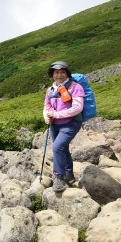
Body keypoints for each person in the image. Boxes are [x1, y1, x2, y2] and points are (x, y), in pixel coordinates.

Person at [43, 61, 85, 191]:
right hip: (55, 124)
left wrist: (56, 114)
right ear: (52, 75)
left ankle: (58, 177)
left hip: (71, 123)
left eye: (62, 72)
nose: (59, 75)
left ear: (67, 73)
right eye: (56, 72)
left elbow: (78, 108)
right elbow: (47, 106)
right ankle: (69, 174)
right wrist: (46, 116)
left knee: (57, 147)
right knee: (62, 148)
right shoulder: (50, 90)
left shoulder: (75, 87)